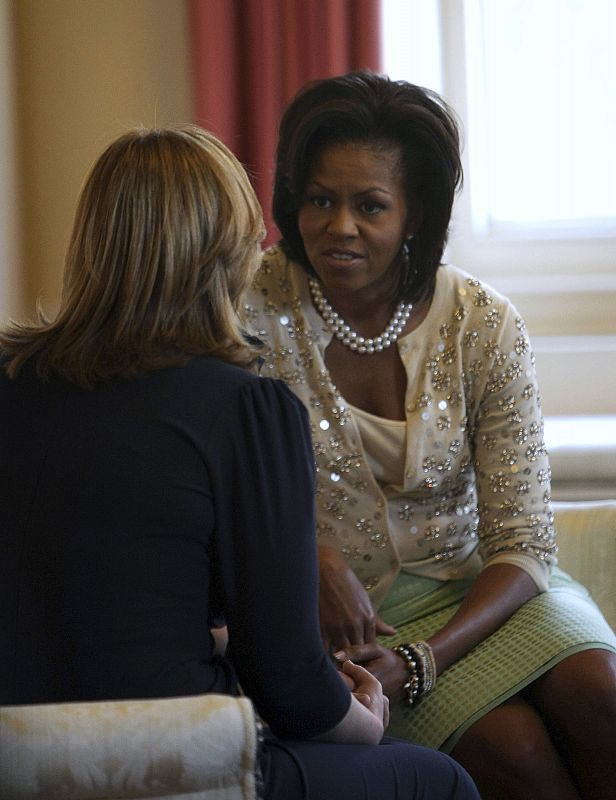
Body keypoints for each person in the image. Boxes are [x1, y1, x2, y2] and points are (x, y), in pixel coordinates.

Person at [0, 125, 480, 800]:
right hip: (176, 763)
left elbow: (94, 603)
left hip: (19, 764)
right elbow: (288, 679)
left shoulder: (11, 381)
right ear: (226, 254)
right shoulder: (247, 409)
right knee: (439, 779)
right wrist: (364, 719)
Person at [244, 71, 616, 800]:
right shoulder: (244, 308)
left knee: (600, 692)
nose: (339, 226)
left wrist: (421, 662)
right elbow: (204, 485)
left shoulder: (483, 323)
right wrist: (304, 555)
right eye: (319, 200)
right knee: (512, 751)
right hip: (354, 628)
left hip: (488, 597)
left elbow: (524, 544)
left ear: (415, 215)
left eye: (369, 205)